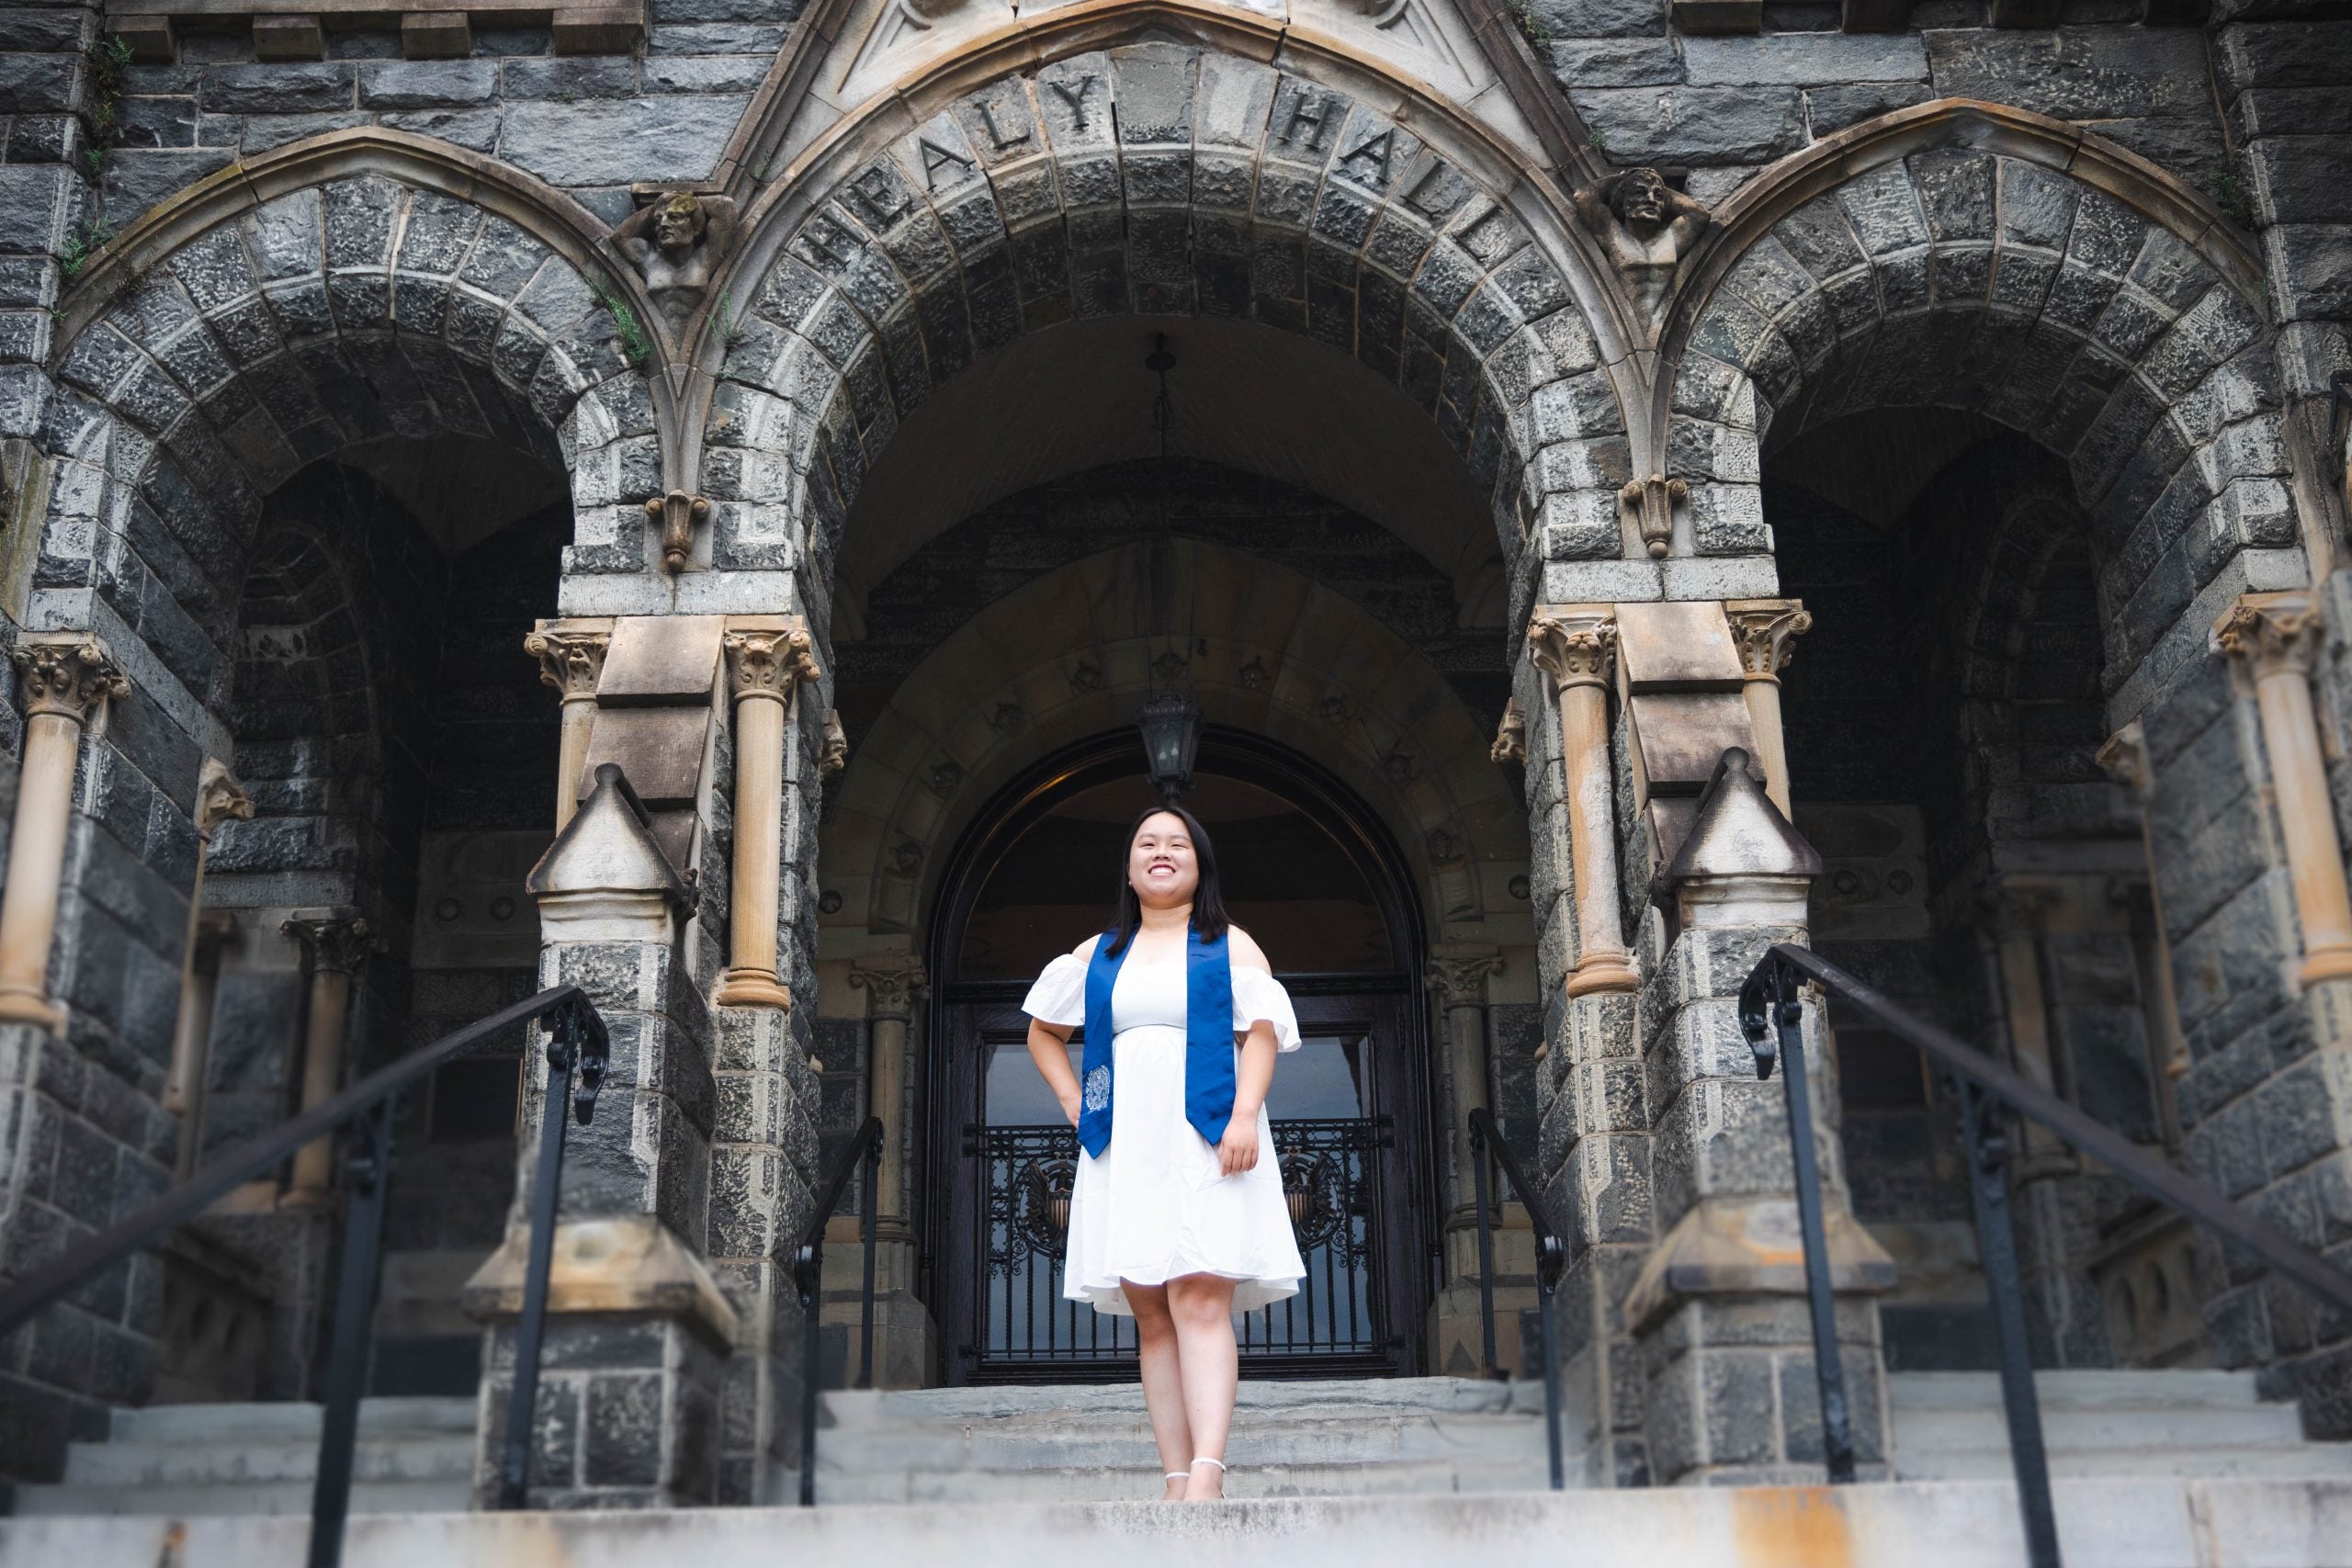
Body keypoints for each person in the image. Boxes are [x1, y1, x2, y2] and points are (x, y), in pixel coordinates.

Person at [1019, 802, 1306, 1502]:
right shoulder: (1098, 953)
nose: (1161, 851)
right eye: (1147, 841)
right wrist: (1072, 1101)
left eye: (1177, 842)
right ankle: (1174, 1476)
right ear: (1129, 864)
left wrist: (1243, 1115)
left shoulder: (1230, 944)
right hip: (1126, 1142)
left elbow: (1262, 1033)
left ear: (1199, 862)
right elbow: (1042, 1032)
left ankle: (1209, 1469)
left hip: (1208, 1137)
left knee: (1200, 1294)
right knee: (1151, 1307)